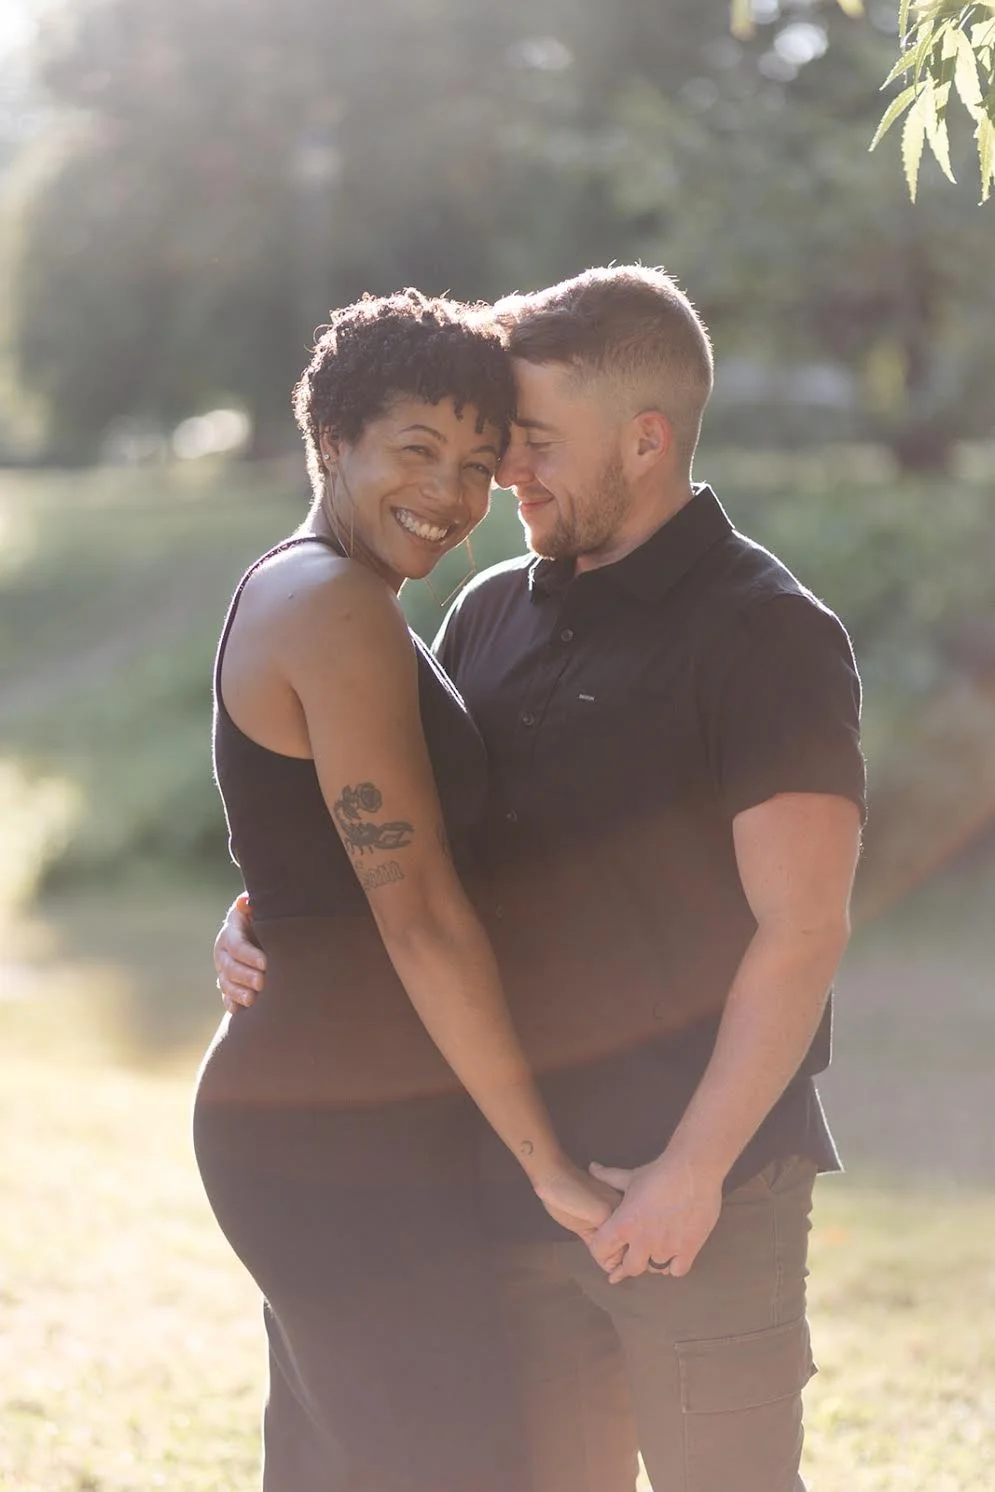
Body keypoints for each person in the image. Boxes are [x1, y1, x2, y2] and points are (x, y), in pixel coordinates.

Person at [216, 266, 866, 1492]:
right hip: (505, 1186)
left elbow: (804, 925)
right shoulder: (485, 612)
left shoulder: (768, 633)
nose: (500, 475)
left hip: (696, 1194)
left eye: (530, 444)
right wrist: (274, 917)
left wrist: (691, 1170)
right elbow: (405, 860)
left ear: (644, 438)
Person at [193, 287, 619, 1492]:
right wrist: (542, 1159)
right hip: (330, 1136)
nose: (449, 493)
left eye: (478, 464)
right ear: (331, 439)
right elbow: (415, 910)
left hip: (347, 1115)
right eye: (417, 451)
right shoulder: (331, 603)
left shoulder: (326, 590)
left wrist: (256, 914)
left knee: (345, 1466)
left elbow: (303, 851)